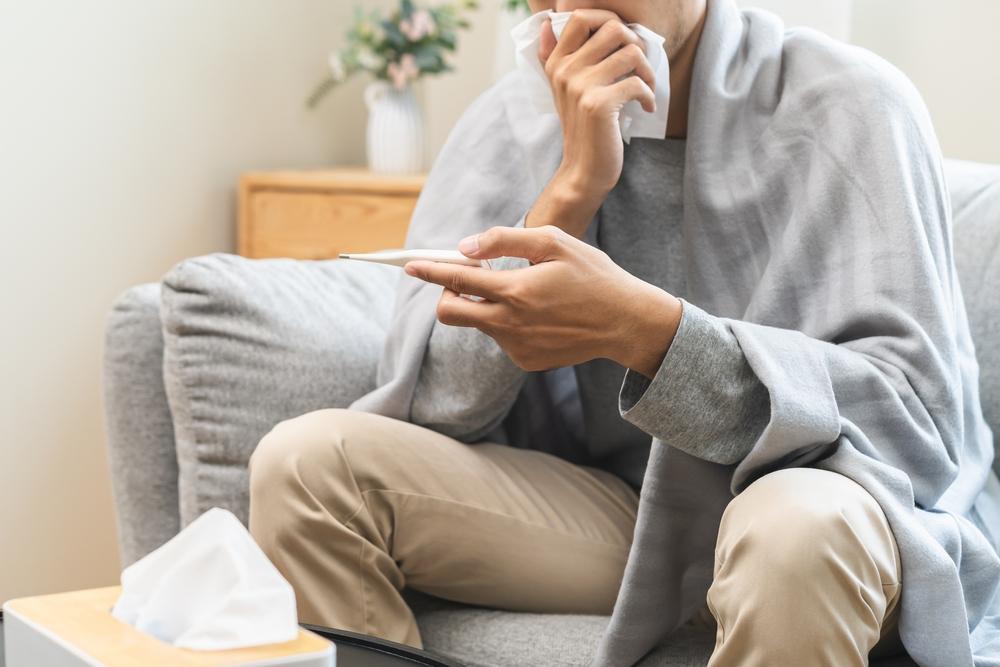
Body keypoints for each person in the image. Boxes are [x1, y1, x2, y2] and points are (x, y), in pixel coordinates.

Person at [248, 1, 1000, 665]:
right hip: (630, 517)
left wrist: (651, 334)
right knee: (306, 464)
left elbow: (914, 432)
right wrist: (573, 186)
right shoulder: (507, 125)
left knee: (790, 534)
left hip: (825, 511)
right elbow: (440, 406)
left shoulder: (849, 104)